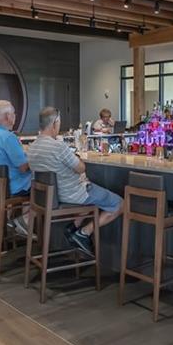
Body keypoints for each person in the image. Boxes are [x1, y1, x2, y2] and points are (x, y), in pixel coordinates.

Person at [28, 106, 122, 256]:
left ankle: (73, 227)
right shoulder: (57, 146)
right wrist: (77, 160)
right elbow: (81, 168)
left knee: (94, 197)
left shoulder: (32, 146)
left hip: (49, 197)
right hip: (72, 194)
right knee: (119, 203)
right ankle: (84, 232)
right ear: (55, 123)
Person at [0, 100, 31, 235]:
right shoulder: (8, 137)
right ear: (8, 116)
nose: (15, 116)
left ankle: (12, 220)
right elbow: (23, 167)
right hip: (11, 187)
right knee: (41, 187)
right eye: (14, 113)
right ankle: (23, 222)